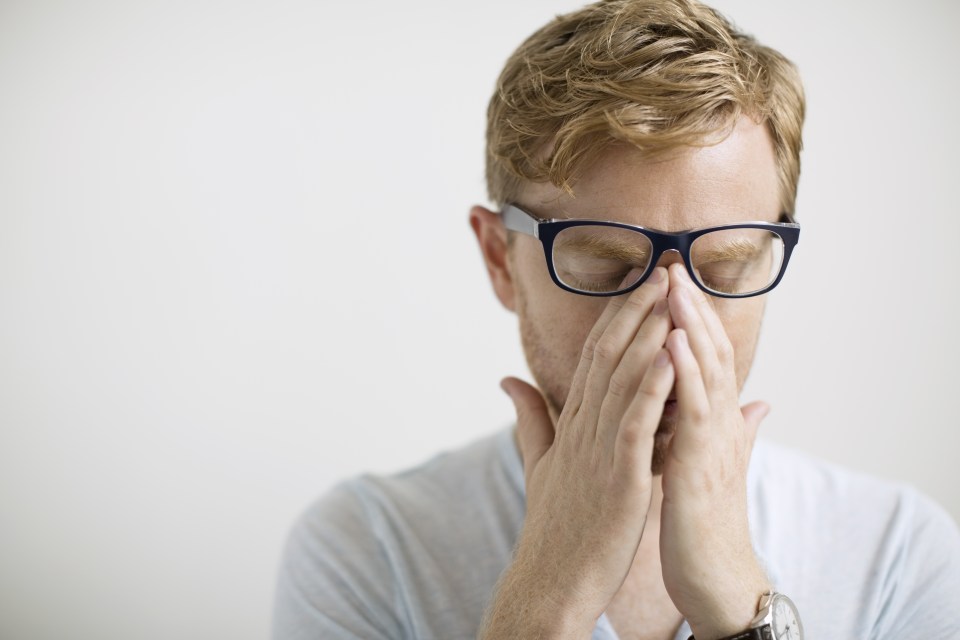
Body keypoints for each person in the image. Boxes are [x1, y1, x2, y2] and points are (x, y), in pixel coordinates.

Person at [271, 1, 960, 638]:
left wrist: (736, 604)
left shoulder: (896, 553)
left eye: (723, 268)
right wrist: (547, 596)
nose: (672, 324)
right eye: (605, 268)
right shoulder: (370, 548)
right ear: (500, 260)